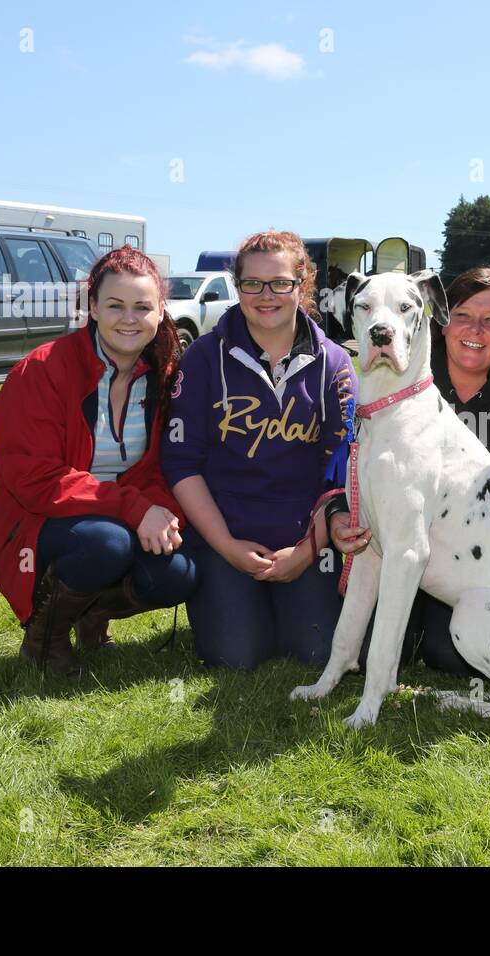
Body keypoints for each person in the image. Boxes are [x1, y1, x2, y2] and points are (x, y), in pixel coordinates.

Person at [0, 246, 197, 677]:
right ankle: (45, 639)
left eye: (142, 307)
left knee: (179, 573)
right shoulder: (41, 370)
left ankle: (91, 611)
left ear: (160, 313)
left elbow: (163, 465)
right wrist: (135, 510)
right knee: (107, 544)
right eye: (115, 305)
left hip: (117, 519)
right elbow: (34, 479)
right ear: (93, 308)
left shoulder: (164, 377)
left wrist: (160, 513)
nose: (129, 318)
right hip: (38, 523)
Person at [355, 266, 490, 676]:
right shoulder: (401, 387)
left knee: (448, 650)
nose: (475, 330)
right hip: (402, 552)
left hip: (481, 574)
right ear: (439, 318)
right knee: (371, 651)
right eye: (464, 316)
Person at [161, 230, 356, 670]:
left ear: (301, 284)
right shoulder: (204, 358)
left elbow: (344, 468)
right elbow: (181, 463)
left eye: (280, 283)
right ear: (237, 285)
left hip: (306, 539)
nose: (266, 295)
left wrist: (307, 550)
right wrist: (227, 546)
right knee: (236, 655)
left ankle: (288, 601)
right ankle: (238, 599)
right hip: (226, 536)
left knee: (317, 652)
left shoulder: (335, 364)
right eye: (252, 283)